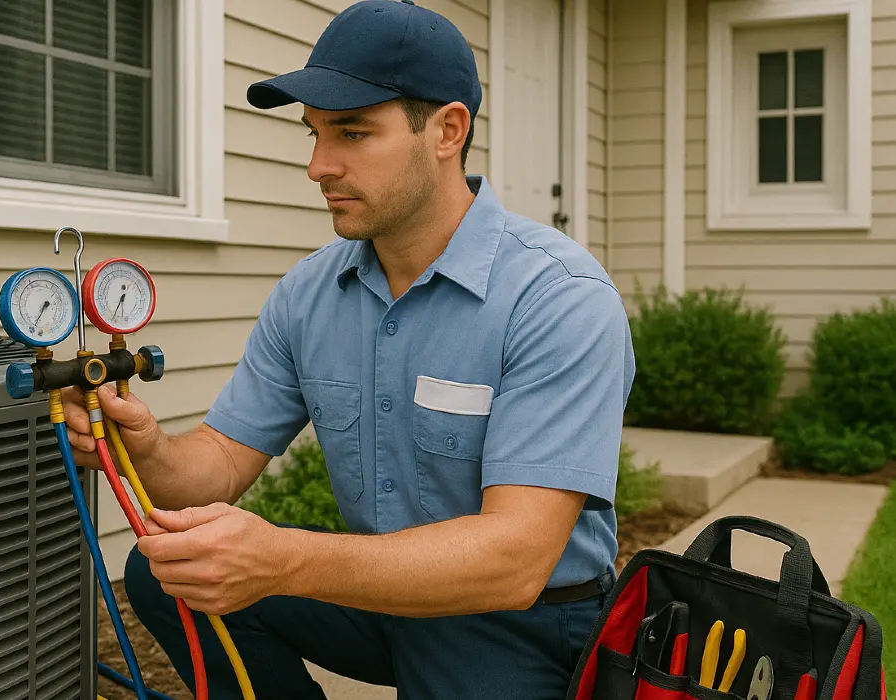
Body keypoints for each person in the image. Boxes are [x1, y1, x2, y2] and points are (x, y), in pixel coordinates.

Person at [60, 1, 636, 697]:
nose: (318, 166)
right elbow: (217, 464)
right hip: (380, 593)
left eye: (353, 133)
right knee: (167, 570)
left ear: (448, 130)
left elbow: (513, 561)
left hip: (516, 620)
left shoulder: (556, 296)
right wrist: (146, 446)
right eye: (314, 135)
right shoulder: (311, 294)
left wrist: (282, 561)